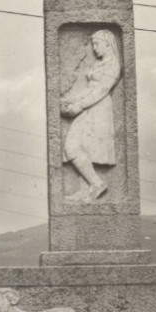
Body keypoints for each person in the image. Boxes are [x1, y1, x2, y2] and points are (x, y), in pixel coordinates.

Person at [60, 28, 122, 203]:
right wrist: (70, 100)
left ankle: (96, 184)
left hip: (98, 108)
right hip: (88, 107)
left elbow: (101, 90)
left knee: (74, 147)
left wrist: (78, 105)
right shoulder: (99, 64)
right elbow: (89, 89)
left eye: (97, 44)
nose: (94, 48)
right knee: (78, 147)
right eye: (93, 44)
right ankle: (85, 188)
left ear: (108, 44)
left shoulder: (113, 65)